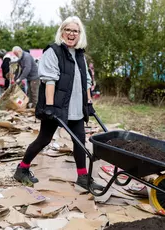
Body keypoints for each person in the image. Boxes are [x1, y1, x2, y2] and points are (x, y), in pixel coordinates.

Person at [13, 16, 104, 191]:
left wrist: (89, 101)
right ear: (61, 32)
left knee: (80, 141)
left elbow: (85, 80)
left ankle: (83, 177)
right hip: (56, 106)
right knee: (44, 139)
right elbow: (49, 81)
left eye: (75, 31)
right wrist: (49, 106)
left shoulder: (79, 54)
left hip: (76, 106)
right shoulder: (53, 52)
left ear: (80, 34)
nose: (71, 33)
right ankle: (22, 169)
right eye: (67, 30)